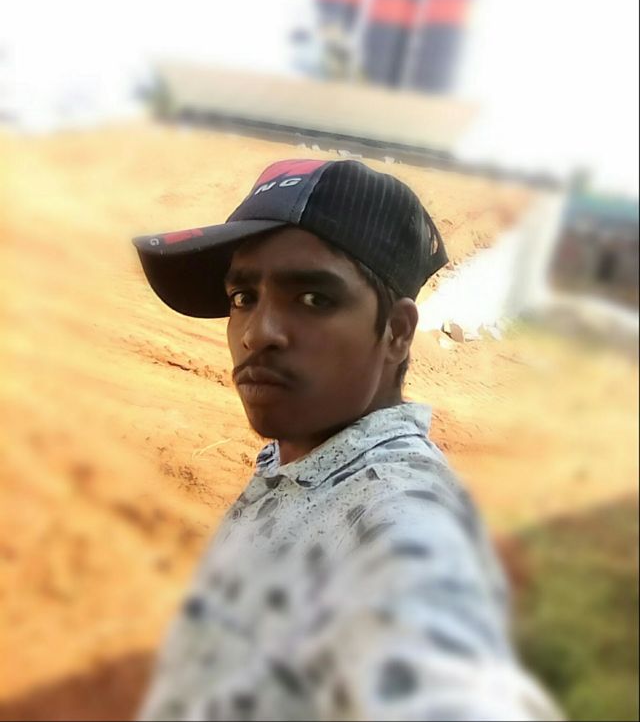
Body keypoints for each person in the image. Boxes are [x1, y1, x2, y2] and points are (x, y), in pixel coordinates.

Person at [133, 158, 561, 721]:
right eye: (242, 297)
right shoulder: (302, 461)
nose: (258, 333)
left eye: (314, 298)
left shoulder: (401, 532)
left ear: (397, 332)